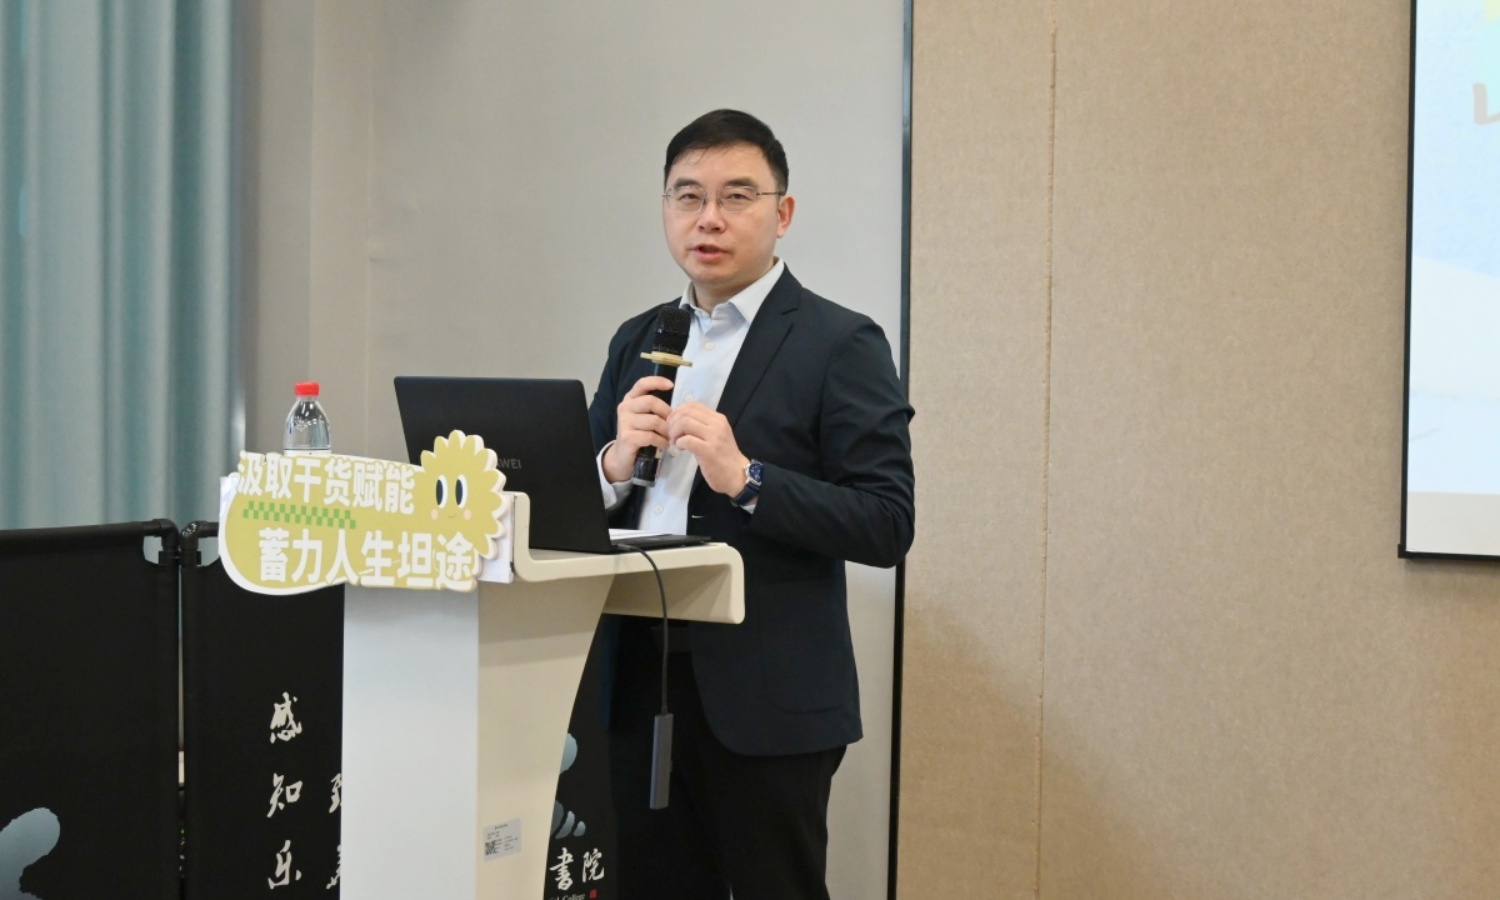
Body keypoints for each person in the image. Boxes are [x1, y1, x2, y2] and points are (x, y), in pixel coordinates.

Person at [587, 108, 915, 900]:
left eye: (736, 196)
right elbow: (573, 505)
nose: (709, 218)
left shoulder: (840, 342)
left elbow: (885, 522)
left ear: (782, 213)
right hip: (637, 678)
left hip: (766, 694)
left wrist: (747, 478)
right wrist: (611, 465)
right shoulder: (640, 336)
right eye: (688, 196)